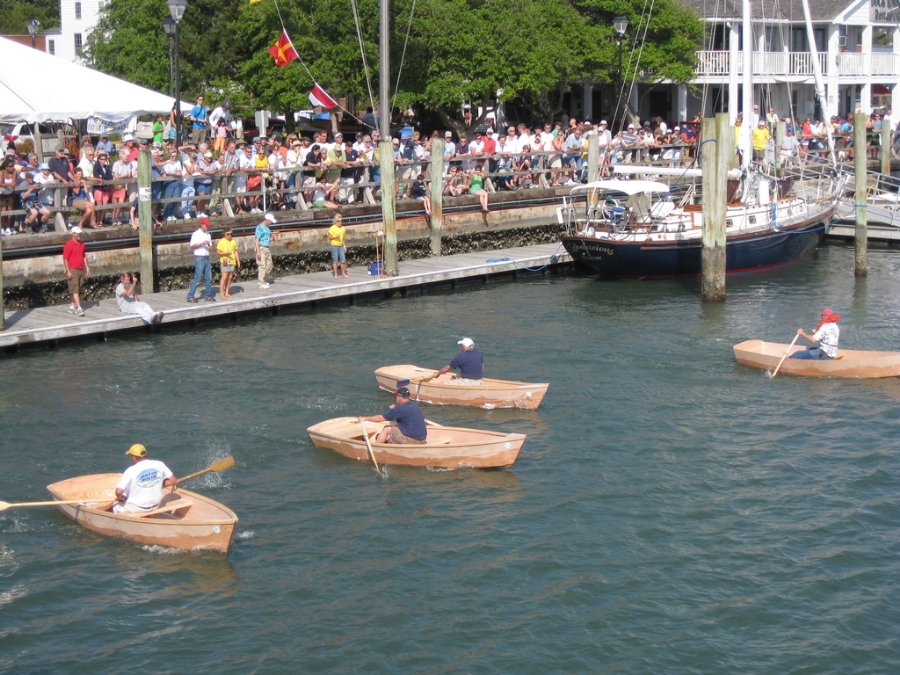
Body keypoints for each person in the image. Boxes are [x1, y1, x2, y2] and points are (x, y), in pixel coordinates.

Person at [113, 444, 177, 513]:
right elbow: (173, 480)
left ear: (133, 457)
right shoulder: (159, 464)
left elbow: (119, 492)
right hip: (156, 505)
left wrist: (120, 498)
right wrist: (154, 485)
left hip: (138, 508)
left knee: (115, 506)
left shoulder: (130, 470)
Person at [360, 386, 428, 444]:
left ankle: (376, 446)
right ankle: (389, 442)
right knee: (397, 426)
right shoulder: (414, 405)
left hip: (412, 441)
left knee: (387, 429)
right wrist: (396, 408)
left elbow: (380, 418)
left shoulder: (400, 409)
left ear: (399, 398)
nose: (395, 398)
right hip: (423, 439)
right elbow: (405, 413)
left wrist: (365, 418)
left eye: (395, 397)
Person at [62, 226, 91, 316]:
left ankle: (72, 306)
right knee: (75, 290)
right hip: (73, 269)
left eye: (80, 233)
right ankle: (79, 308)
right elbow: (65, 259)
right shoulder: (68, 245)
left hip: (81, 268)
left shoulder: (82, 244)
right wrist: (68, 271)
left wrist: (87, 268)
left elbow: (84, 256)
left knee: (78, 288)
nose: (79, 235)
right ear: (73, 234)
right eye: (78, 233)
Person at [186, 216, 215, 302]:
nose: (207, 226)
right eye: (206, 225)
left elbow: (210, 246)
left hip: (206, 257)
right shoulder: (196, 234)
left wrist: (210, 247)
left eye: (208, 225)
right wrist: (202, 243)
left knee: (208, 278)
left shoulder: (208, 234)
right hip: (199, 258)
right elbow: (192, 246)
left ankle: (208, 295)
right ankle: (190, 296)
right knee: (197, 278)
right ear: (201, 224)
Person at [216, 227, 240, 298]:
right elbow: (218, 251)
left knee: (230, 277)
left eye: (231, 234)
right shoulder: (221, 241)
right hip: (225, 261)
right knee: (224, 277)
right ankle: (222, 294)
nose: (229, 235)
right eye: (228, 234)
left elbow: (236, 251)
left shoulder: (233, 241)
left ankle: (227, 292)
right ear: (224, 234)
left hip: (232, 261)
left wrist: (238, 261)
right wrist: (225, 253)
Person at [255, 212, 275, 288]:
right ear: (267, 220)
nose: (271, 223)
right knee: (262, 265)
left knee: (269, 264)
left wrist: (272, 238)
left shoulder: (267, 228)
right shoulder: (259, 227)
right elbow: (257, 239)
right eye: (270, 221)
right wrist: (258, 251)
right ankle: (261, 282)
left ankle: (263, 278)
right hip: (261, 248)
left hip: (267, 248)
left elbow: (267, 238)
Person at [326, 213, 348, 279]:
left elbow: (343, 238)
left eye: (341, 221)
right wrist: (335, 236)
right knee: (335, 260)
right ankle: (336, 274)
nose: (340, 222)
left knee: (343, 260)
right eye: (338, 221)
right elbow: (329, 237)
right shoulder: (332, 228)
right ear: (335, 221)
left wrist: (344, 246)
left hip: (341, 246)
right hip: (334, 246)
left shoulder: (343, 228)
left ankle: (343, 273)